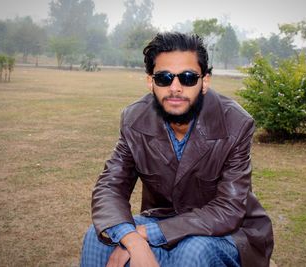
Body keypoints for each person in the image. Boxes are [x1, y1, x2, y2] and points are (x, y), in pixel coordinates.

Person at [80, 32, 274, 267]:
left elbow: (228, 210)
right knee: (97, 238)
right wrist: (132, 239)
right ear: (151, 82)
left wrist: (147, 234)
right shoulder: (134, 119)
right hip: (162, 218)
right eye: (164, 78)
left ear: (205, 81)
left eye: (188, 78)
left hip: (230, 231)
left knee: (193, 251)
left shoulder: (235, 123)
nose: (175, 88)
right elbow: (110, 186)